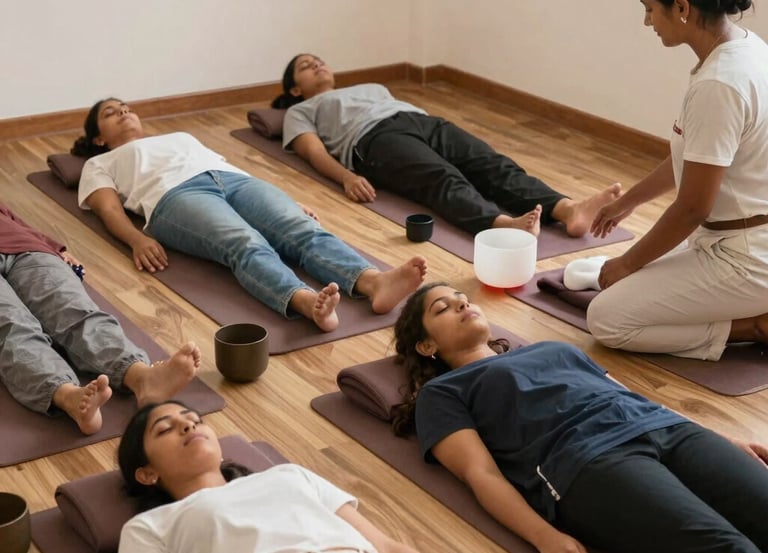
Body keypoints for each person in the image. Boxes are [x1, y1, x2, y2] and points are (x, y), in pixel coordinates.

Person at [391, 282, 768, 553]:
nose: (461, 304)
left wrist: (721, 437)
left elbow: (631, 395)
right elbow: (481, 474)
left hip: (665, 428)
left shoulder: (552, 349)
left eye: (462, 298)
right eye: (442, 308)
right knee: (730, 547)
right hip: (589, 460)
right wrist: (543, 536)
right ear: (427, 346)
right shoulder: (441, 393)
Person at [73, 98, 428, 332]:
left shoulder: (179, 136)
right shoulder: (99, 162)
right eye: (111, 113)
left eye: (126, 108)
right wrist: (136, 239)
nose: (123, 112)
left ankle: (373, 282)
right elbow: (108, 208)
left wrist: (287, 201)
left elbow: (231, 166)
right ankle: (304, 301)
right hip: (174, 196)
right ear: (99, 138)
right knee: (244, 242)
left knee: (298, 226)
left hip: (234, 181)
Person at [587, 0, 768, 360]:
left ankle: (755, 326)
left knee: (606, 319)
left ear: (682, 7)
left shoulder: (718, 84)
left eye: (650, 9)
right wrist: (627, 202)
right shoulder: (748, 47)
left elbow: (692, 209)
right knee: (621, 271)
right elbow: (696, 158)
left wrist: (628, 263)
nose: (647, 21)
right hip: (739, 239)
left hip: (747, 258)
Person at [272, 53, 622, 238]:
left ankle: (566, 210)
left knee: (490, 162)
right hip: (373, 139)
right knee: (441, 176)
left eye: (319, 60)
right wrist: (347, 177)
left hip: (423, 121)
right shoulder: (300, 111)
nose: (317, 64)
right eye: (306, 66)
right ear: (295, 89)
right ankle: (501, 225)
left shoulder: (371, 86)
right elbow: (313, 152)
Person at [116, 399, 420, 553]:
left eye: (195, 420)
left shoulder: (289, 474)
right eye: (165, 429)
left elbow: (386, 546)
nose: (189, 426)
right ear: (147, 473)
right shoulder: (151, 526)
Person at [0, 202, 200, 435]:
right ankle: (68, 396)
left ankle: (142, 378)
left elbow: (14, 221)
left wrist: (55, 248)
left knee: (74, 310)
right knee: (13, 328)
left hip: (25, 249)